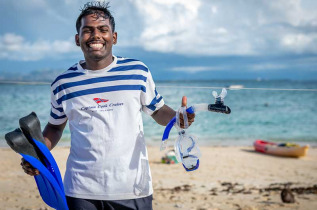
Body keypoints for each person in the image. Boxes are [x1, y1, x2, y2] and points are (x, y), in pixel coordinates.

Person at [21, 2, 195, 209]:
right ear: (78, 39)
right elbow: (56, 127)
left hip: (132, 187)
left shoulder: (137, 72)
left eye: (103, 29)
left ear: (114, 37)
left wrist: (178, 119)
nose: (96, 35)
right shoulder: (63, 83)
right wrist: (38, 154)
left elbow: (157, 111)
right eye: (88, 30)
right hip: (80, 189)